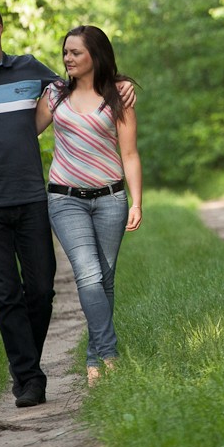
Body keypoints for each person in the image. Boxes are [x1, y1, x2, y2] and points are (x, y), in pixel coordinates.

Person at [0, 4, 132, 408]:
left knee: (41, 289)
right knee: (5, 294)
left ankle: (26, 361)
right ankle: (29, 377)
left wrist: (122, 82)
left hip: (32, 198)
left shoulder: (31, 70)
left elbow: (80, 82)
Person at [36, 25, 142, 387]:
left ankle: (93, 360)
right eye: (65, 52)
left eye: (76, 52)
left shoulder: (118, 96)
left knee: (105, 279)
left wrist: (137, 202)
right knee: (89, 275)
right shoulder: (54, 95)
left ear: (95, 56)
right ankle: (110, 356)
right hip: (65, 199)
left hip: (110, 198)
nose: (68, 58)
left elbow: (129, 153)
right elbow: (24, 130)